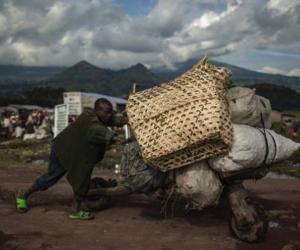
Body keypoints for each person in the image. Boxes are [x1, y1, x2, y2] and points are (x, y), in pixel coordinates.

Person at [16, 98, 128, 220]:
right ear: (98, 110)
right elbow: (105, 133)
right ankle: (75, 209)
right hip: (64, 150)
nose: (109, 115)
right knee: (63, 177)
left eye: (110, 112)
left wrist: (125, 120)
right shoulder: (91, 124)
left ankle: (77, 202)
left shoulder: (93, 115)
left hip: (69, 148)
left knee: (72, 175)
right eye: (107, 112)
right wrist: (123, 140)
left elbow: (112, 120)